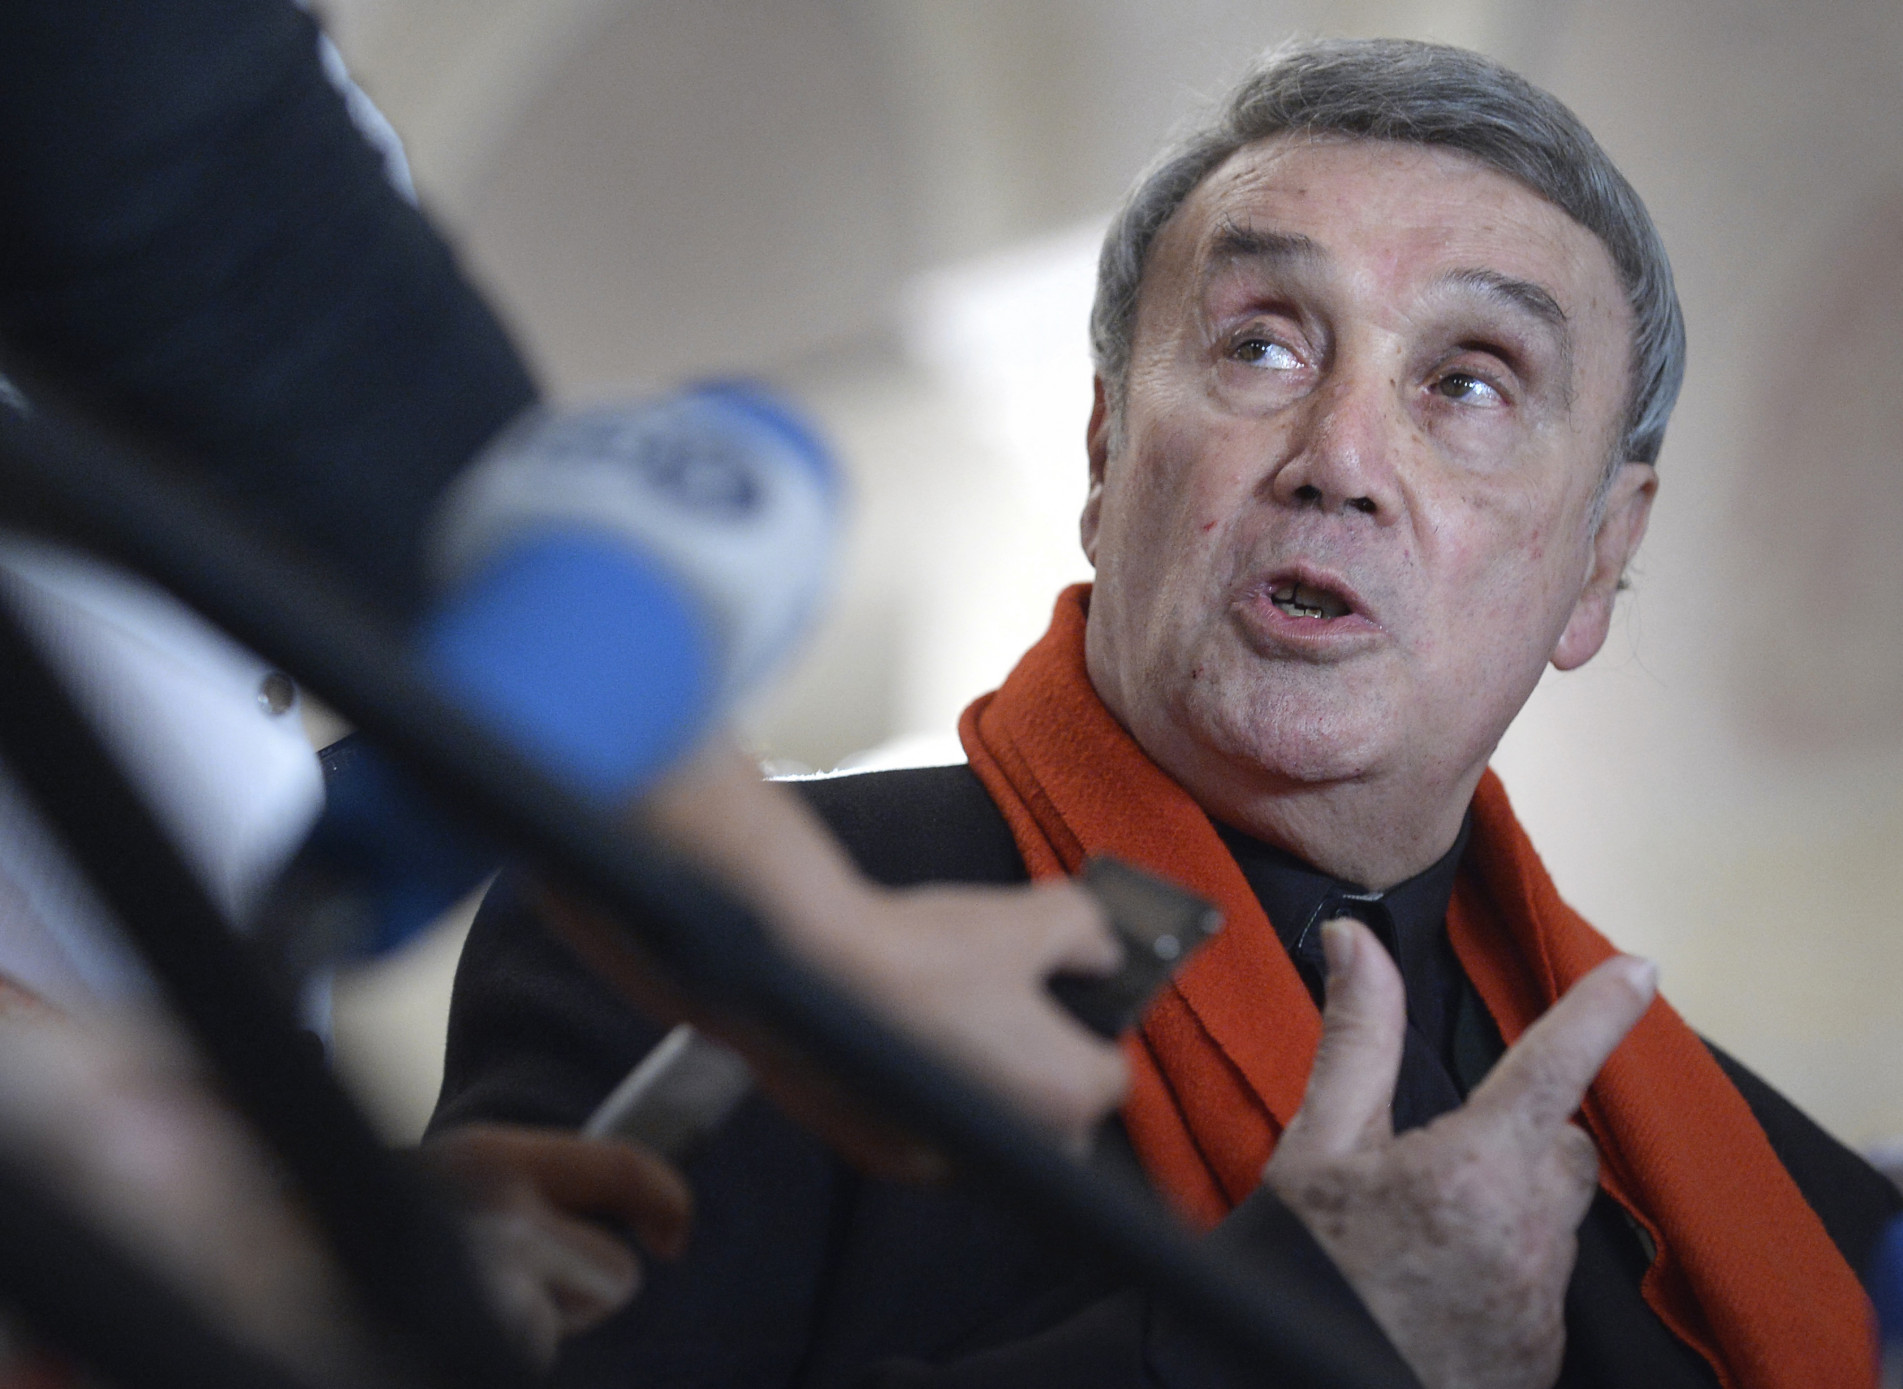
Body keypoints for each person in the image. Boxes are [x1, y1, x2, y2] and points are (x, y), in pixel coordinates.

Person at [432, 36, 1903, 1389]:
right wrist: (1292, 1336)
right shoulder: (702, 926)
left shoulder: (1803, 1216)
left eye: (1468, 380)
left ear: (1601, 556)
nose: (1340, 459)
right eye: (1262, 345)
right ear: (1103, 447)